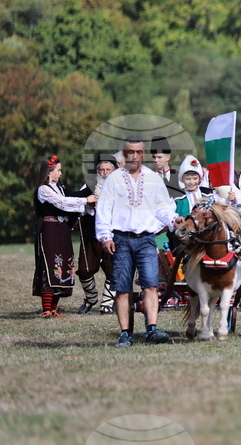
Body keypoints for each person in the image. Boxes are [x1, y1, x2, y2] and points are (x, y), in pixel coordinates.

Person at [95, 135, 184, 347]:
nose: (134, 156)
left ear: (142, 154)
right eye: (130, 152)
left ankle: (152, 330)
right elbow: (104, 209)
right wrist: (105, 236)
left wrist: (173, 219)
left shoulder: (153, 179)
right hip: (121, 240)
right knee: (122, 288)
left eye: (138, 152)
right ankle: (125, 334)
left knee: (151, 285)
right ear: (124, 154)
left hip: (146, 240)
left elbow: (163, 207)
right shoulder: (114, 179)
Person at [33, 156, 96, 317]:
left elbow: (72, 199)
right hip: (50, 230)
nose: (60, 173)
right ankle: (46, 308)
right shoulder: (44, 189)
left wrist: (94, 187)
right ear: (49, 172)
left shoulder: (59, 188)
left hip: (62, 230)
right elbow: (63, 203)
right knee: (52, 265)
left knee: (63, 266)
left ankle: (54, 308)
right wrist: (85, 200)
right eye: (58, 170)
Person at [75, 155, 118, 314]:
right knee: (85, 270)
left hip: (113, 235)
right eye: (101, 169)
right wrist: (88, 204)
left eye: (108, 169)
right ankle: (91, 297)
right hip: (90, 235)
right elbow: (76, 204)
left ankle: (107, 303)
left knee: (113, 270)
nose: (104, 172)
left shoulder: (120, 187)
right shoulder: (88, 186)